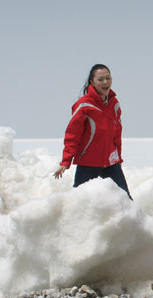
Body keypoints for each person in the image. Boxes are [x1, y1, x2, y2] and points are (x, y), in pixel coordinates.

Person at [54, 64, 131, 198]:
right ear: (92, 82)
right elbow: (73, 135)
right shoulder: (84, 105)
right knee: (78, 201)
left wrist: (117, 156)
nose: (105, 82)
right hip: (88, 164)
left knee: (125, 200)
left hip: (111, 163)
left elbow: (117, 133)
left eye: (108, 78)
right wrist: (66, 161)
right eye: (100, 79)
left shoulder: (114, 104)